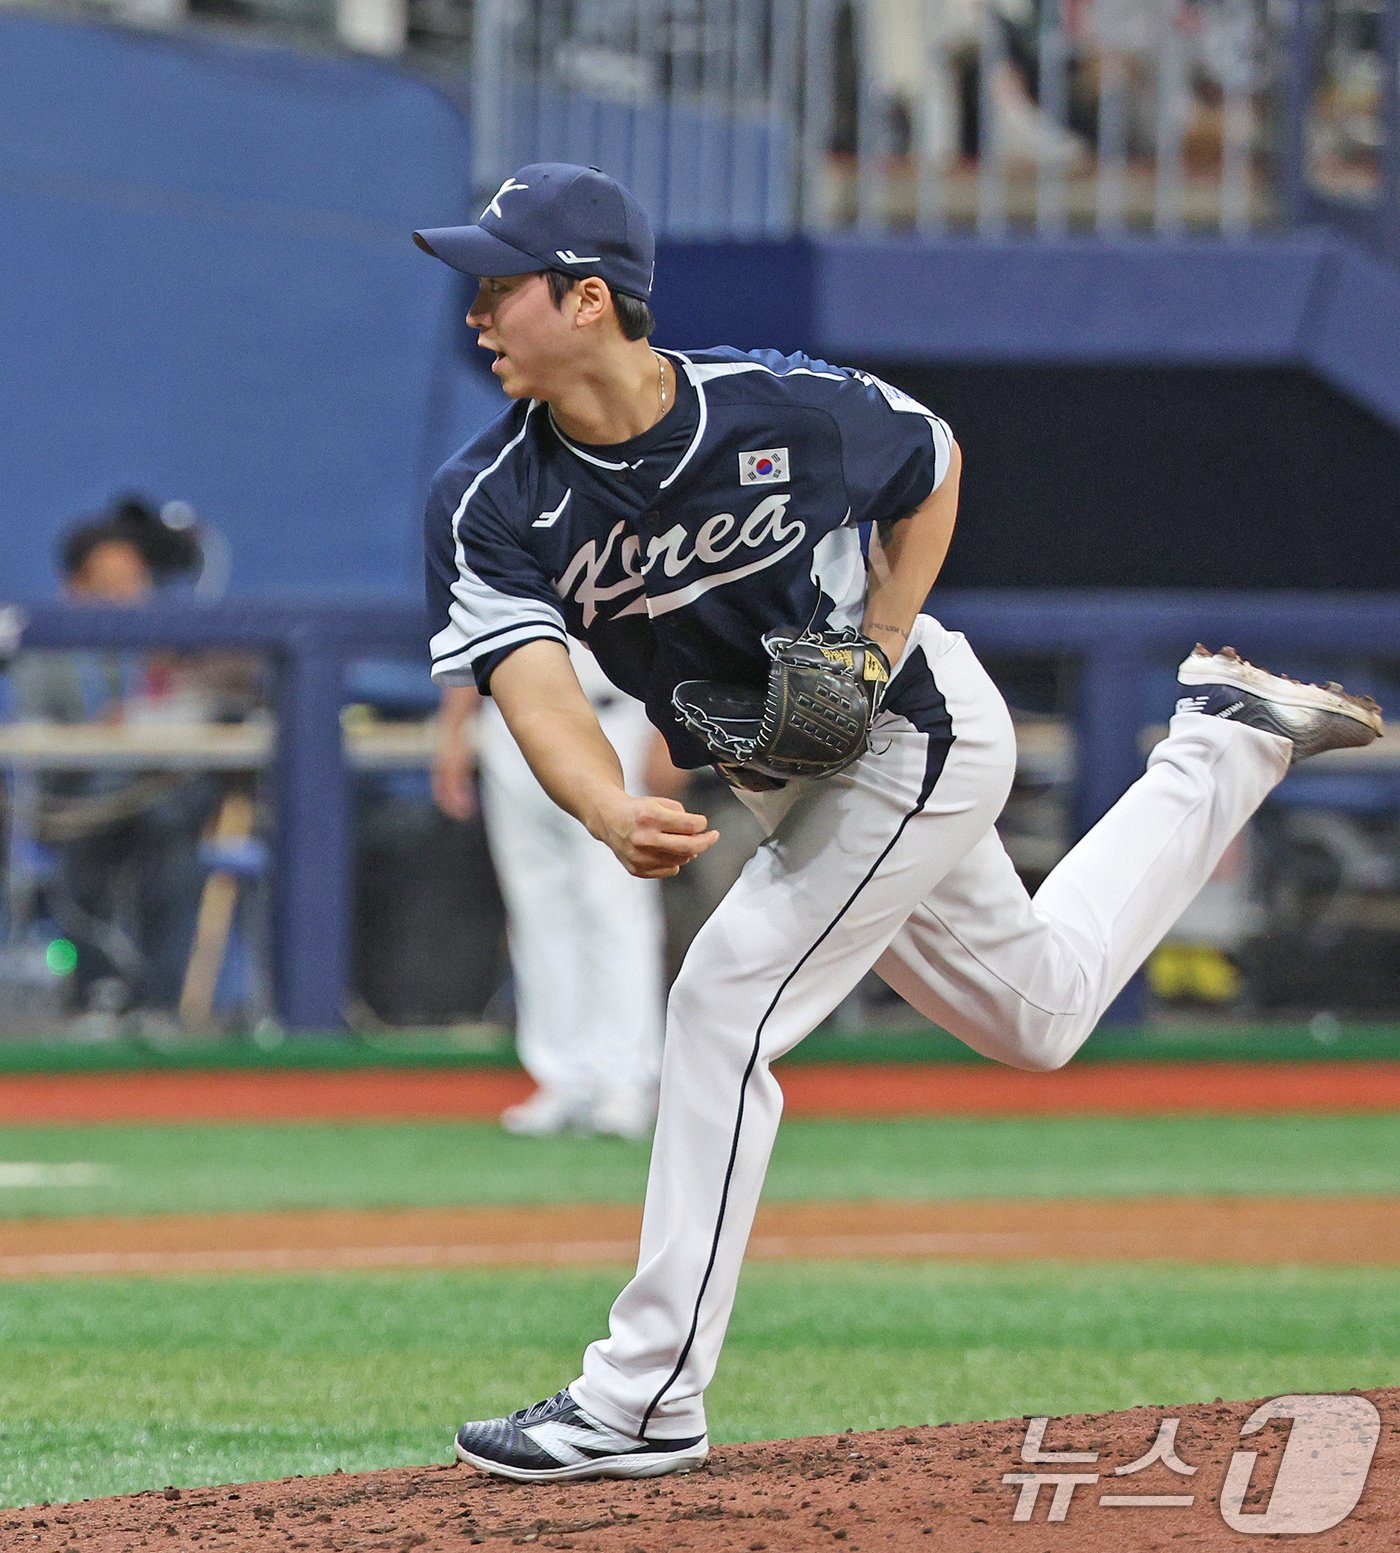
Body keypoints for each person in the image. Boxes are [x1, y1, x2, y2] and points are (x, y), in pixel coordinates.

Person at [413, 162, 1384, 1482]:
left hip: (907, 734)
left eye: (500, 281)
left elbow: (931, 461)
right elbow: (530, 683)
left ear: (589, 299)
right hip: (791, 773)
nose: (476, 308)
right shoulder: (489, 502)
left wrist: (874, 637)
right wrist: (603, 801)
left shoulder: (773, 408)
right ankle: (1222, 738)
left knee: (716, 1010)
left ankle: (640, 1396)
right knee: (1035, 1015)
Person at [432, 642, 667, 1139]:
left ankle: (627, 1079)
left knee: (613, 901)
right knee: (535, 906)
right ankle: (563, 1076)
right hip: (509, 717)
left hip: (612, 713)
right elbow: (477, 620)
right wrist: (453, 729)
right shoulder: (497, 558)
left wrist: (670, 734)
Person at [13, 521, 220, 1029]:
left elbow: (209, 703)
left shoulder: (167, 645)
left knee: (176, 844)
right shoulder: (47, 652)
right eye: (110, 584)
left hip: (155, 797)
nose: (127, 597)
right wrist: (94, 732)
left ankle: (159, 1005)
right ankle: (95, 992)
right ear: (75, 589)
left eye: (136, 582)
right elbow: (35, 740)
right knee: (87, 854)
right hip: (76, 803)